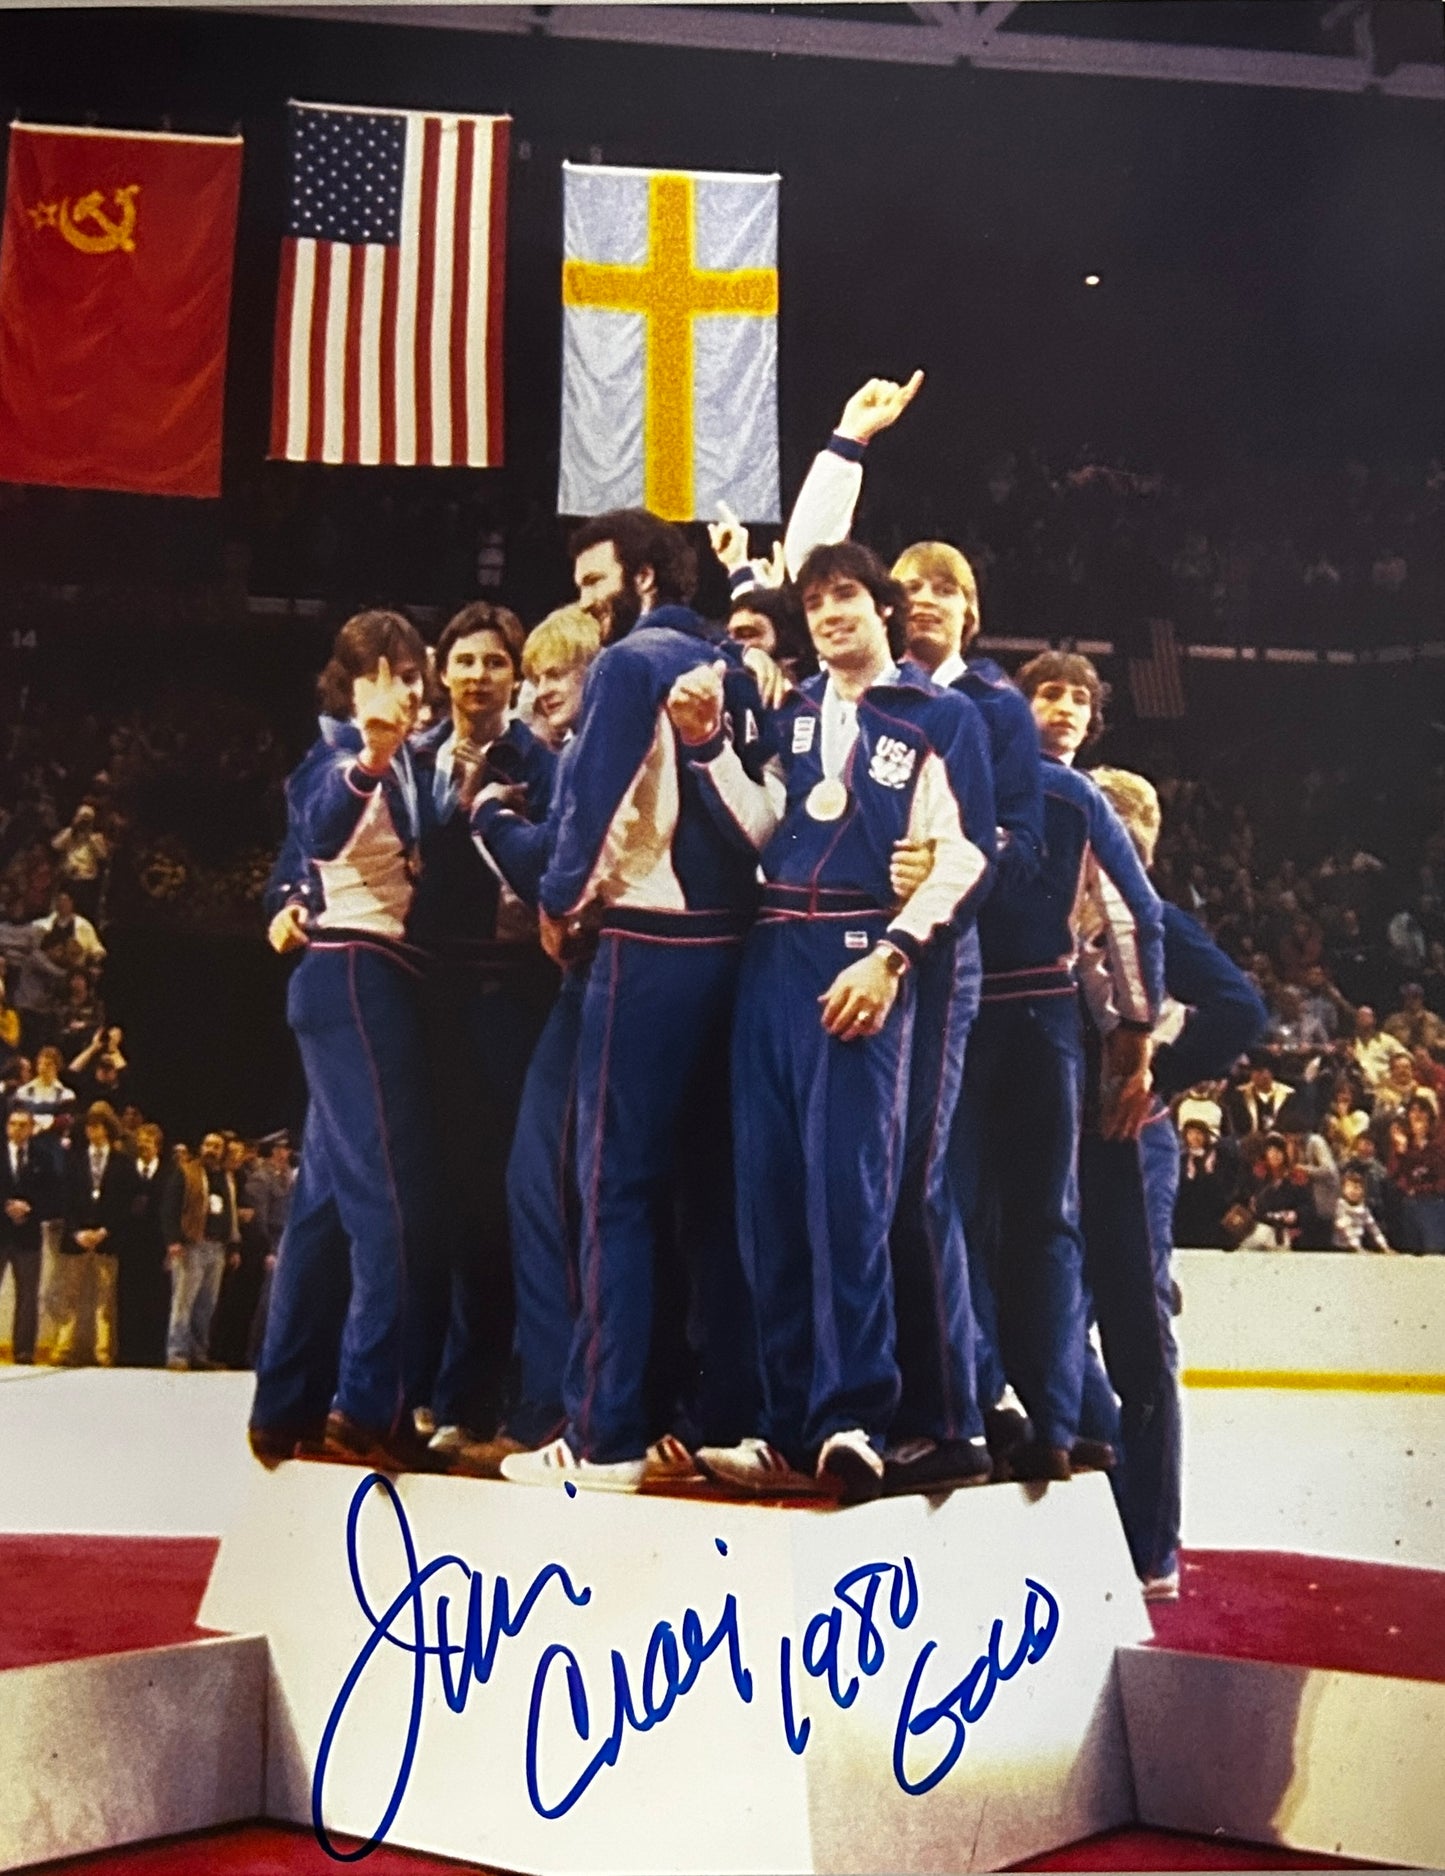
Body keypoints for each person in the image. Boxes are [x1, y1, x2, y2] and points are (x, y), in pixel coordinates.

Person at [686, 541, 995, 1501]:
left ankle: (854, 1416)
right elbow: (763, 828)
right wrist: (705, 752)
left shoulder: (942, 717)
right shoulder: (793, 713)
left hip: (859, 955)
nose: (828, 613)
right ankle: (785, 1426)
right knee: (769, 1197)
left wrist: (894, 956)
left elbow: (965, 855)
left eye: (846, 596)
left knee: (847, 1197)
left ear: (883, 609)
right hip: (774, 955)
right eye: (814, 601)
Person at [500, 509, 775, 1491]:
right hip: (733, 950)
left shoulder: (627, 664)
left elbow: (594, 807)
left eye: (592, 581)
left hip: (647, 946)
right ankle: (727, 1414)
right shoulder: (736, 661)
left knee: (610, 1190)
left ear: (647, 572)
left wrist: (555, 901)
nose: (585, 601)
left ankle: (604, 1432)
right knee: (711, 1201)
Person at [955, 652, 1165, 1483]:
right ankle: (1049, 1418)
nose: (1067, 709)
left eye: (1081, 698)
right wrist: (1133, 1027)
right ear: (1017, 704)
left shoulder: (981, 776)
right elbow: (1134, 911)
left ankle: (986, 1403)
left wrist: (1136, 1029)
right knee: (1044, 1222)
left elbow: (1133, 911)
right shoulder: (1072, 798)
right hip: (1042, 1017)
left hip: (974, 1014)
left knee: (967, 1215)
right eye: (1050, 692)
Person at [250, 610, 450, 1472]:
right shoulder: (345, 753)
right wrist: (370, 754)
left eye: (412, 673)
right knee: (389, 1201)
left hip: (350, 977)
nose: (404, 689)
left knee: (326, 1207)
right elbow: (324, 825)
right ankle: (369, 1404)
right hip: (361, 977)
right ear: (351, 680)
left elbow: (307, 854)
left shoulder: (409, 755)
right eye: (386, 673)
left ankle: (283, 1403)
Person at [1075, 766, 1265, 1598]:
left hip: (1131, 1141)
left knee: (1137, 1341)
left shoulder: (1161, 922)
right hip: (1063, 1143)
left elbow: (1241, 1011)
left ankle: (1150, 1544)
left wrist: (1155, 1081)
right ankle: (1112, 1491)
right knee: (1045, 1326)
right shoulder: (1059, 922)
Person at [408, 601, 557, 1452]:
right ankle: (437, 1386)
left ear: (516, 675)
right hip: (437, 993)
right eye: (462, 661)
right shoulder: (414, 760)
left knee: (509, 1198)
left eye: (492, 662)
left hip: (519, 991)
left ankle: (487, 1396)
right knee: (445, 1197)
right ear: (441, 671)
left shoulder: (542, 759)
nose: (476, 676)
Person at [54, 1101, 137, 1367]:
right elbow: (66, 1198)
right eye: (89, 1126)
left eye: (98, 1126)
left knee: (105, 1297)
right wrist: (77, 1231)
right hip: (77, 1237)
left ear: (108, 1129)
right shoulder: (75, 1159)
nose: (92, 1131)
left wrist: (104, 1230)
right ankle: (63, 1346)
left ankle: (103, 1350)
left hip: (107, 1238)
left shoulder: (123, 1163)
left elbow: (125, 1203)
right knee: (70, 1295)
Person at [162, 1129, 237, 1370]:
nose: (211, 1150)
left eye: (216, 1146)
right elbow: (170, 1208)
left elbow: (230, 1213)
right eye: (207, 1145)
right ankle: (177, 1353)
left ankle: (199, 1352)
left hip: (216, 1248)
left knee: (206, 1304)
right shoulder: (187, 1172)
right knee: (183, 1301)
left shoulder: (226, 1177)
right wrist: (173, 1240)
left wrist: (233, 1245)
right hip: (191, 1245)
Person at [1, 1108, 60, 1364]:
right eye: (13, 1124)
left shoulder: (42, 1158)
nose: (17, 1129)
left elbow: (51, 1195)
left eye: (23, 1125)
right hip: (1, 1232)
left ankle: (24, 1350)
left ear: (31, 1128)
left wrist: (29, 1209)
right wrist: (6, 1206)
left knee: (27, 1295)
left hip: (28, 1236)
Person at [118, 1120, 171, 1368]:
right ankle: (128, 1352)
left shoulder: (169, 1173)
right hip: (130, 1246)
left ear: (158, 1147)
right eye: (140, 1142)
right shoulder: (126, 1170)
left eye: (148, 1143)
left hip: (156, 1246)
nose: (143, 1146)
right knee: (128, 1298)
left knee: (156, 1298)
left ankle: (152, 1352)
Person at [1333, 1166, 1393, 1253]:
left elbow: (1373, 1228)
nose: (1353, 1191)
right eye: (1350, 1187)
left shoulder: (1363, 1209)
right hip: (1341, 1249)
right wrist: (1358, 1248)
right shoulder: (1340, 1206)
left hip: (1357, 1248)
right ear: (1343, 1189)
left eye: (1357, 1188)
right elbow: (1347, 1228)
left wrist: (1384, 1246)